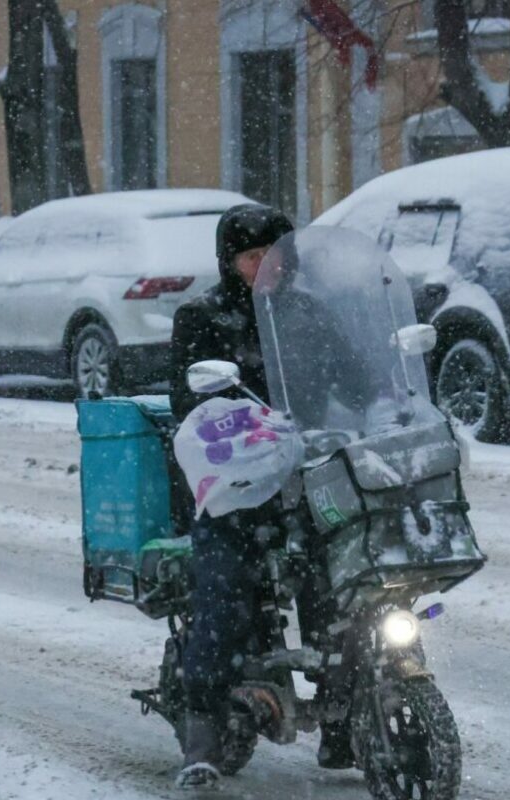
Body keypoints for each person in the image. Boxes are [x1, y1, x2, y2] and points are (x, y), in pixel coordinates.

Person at [168, 206, 354, 790]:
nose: (266, 268)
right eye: (253, 258)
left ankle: (347, 713)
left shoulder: (307, 311)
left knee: (345, 581)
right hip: (236, 492)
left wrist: (386, 396)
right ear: (230, 263)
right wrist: (251, 430)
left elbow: (351, 378)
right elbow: (189, 405)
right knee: (224, 591)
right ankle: (201, 731)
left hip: (306, 483)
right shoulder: (202, 317)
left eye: (276, 257)